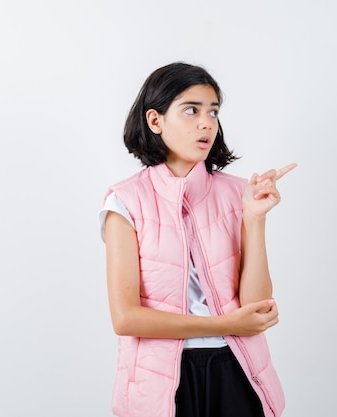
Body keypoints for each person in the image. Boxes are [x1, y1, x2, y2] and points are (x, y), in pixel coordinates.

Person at [99, 62, 296, 417]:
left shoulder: (239, 194)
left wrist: (254, 217)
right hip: (162, 381)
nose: (206, 122)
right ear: (155, 121)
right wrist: (224, 324)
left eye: (213, 112)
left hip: (236, 369)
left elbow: (256, 306)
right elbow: (126, 318)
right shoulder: (125, 202)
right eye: (191, 110)